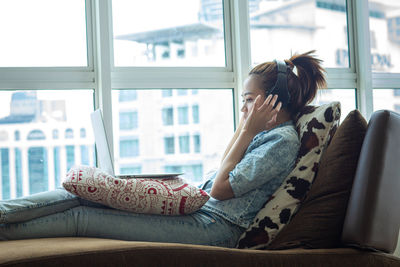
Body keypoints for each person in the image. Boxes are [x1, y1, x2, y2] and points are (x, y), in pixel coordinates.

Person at [0, 51, 326, 248]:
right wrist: (245, 128)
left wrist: (247, 130)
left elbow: (222, 189)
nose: (243, 108)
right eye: (243, 101)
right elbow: (222, 172)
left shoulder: (281, 142)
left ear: (275, 100)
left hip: (216, 228)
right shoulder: (260, 133)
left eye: (248, 100)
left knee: (81, 216)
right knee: (84, 193)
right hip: (201, 212)